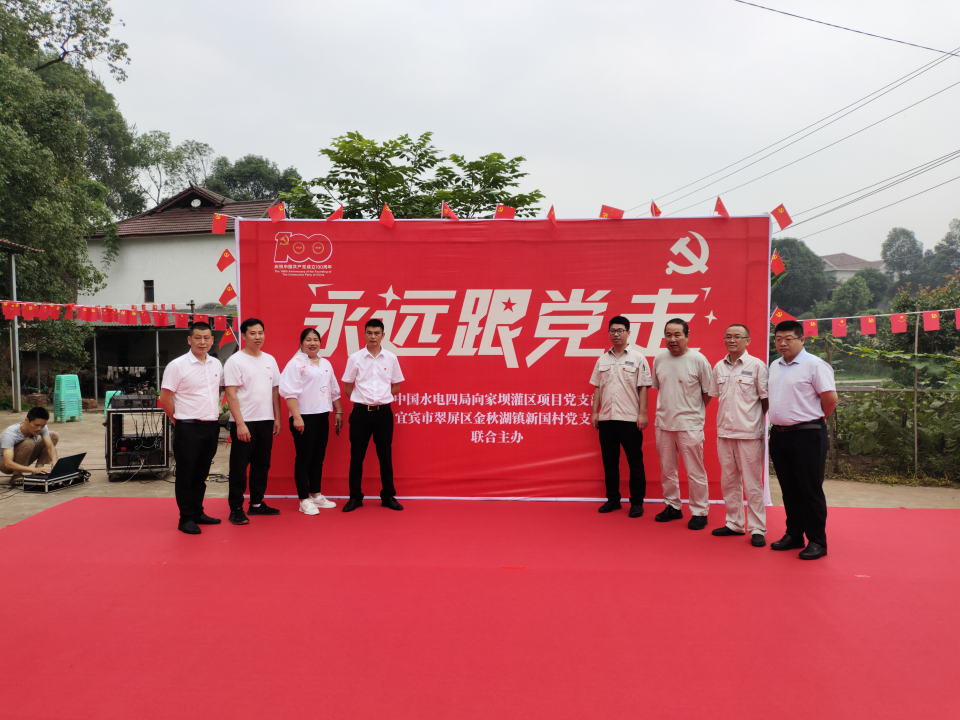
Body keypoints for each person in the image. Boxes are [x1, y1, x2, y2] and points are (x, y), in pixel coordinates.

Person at [768, 320, 838, 560]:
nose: (782, 343)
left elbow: (830, 399)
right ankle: (794, 534)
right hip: (779, 435)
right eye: (778, 339)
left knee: (810, 489)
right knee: (789, 489)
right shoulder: (774, 365)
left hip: (808, 434)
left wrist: (816, 418)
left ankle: (817, 540)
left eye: (788, 338)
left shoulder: (815, 365)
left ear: (801, 339)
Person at [708, 324, 769, 547]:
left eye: (737, 336)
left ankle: (757, 528)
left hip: (749, 434)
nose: (732, 340)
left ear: (747, 340)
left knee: (752, 483)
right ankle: (734, 523)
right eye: (728, 336)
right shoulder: (719, 367)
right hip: (725, 433)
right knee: (729, 481)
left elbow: (765, 400)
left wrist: (753, 421)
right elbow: (716, 395)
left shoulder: (757, 366)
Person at [160, 321, 223, 535]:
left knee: (202, 473)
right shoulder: (177, 365)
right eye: (198, 337)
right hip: (188, 427)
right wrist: (178, 419)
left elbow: (218, 391)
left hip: (211, 426)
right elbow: (165, 398)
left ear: (212, 340)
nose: (202, 342)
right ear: (189, 340)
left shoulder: (216, 364)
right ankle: (185, 518)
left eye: (206, 338)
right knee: (186, 475)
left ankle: (198, 512)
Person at [651, 318, 713, 529]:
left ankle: (700, 511)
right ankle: (672, 506)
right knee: (667, 470)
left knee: (695, 471)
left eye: (677, 335)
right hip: (663, 423)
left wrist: (693, 411)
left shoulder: (698, 360)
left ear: (687, 336)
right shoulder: (659, 359)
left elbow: (707, 392)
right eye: (668, 335)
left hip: (689, 425)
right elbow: (660, 388)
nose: (673, 339)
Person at [589, 315, 652, 517]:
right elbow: (597, 387)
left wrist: (642, 414)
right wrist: (595, 412)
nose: (616, 334)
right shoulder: (602, 359)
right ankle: (613, 499)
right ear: (608, 333)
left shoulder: (638, 358)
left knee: (635, 462)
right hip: (607, 418)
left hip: (630, 418)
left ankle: (637, 502)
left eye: (620, 330)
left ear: (628, 333)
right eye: (613, 331)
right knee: (609, 462)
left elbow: (643, 387)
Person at [223, 318, 283, 525]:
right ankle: (236, 509)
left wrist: (277, 418)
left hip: (265, 420)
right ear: (244, 336)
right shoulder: (235, 361)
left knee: (261, 465)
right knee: (239, 468)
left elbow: (275, 391)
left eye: (260, 333)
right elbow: (230, 394)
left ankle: (257, 504)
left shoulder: (270, 360)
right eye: (253, 333)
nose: (258, 337)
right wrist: (239, 423)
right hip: (244, 421)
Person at [341, 318, 404, 512]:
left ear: (383, 335)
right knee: (356, 456)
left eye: (377, 333)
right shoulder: (355, 358)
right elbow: (348, 387)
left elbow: (396, 385)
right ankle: (355, 497)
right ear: (364, 334)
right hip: (361, 413)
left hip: (383, 413)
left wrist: (381, 398)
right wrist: (362, 400)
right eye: (369, 333)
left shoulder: (391, 358)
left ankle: (388, 496)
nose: (373, 336)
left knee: (385, 456)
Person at [280, 328, 344, 516]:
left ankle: (316, 494)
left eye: (316, 340)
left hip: (322, 415)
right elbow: (289, 393)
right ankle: (304, 499)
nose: (312, 343)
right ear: (301, 344)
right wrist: (297, 417)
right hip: (304, 416)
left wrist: (338, 411)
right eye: (308, 340)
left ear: (320, 343)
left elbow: (333, 389)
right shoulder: (295, 363)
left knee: (318, 457)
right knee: (304, 458)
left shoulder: (326, 363)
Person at [0, 406, 60, 484]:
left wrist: (55, 464)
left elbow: (50, 447)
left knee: (53, 436)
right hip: (5, 465)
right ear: (26, 420)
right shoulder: (10, 434)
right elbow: (7, 463)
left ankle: (39, 468)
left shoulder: (41, 427)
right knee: (28, 443)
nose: (39, 428)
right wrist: (32, 469)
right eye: (36, 425)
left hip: (25, 458)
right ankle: (17, 474)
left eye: (42, 425)